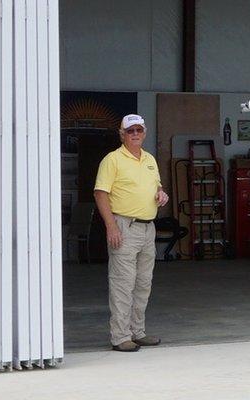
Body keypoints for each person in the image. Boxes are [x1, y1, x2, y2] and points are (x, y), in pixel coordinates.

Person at [93, 114, 169, 352]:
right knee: (123, 283)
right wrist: (111, 225)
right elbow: (100, 193)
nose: (135, 134)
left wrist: (161, 194)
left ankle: (138, 332)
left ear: (144, 132)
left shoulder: (149, 159)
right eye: (130, 131)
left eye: (138, 130)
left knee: (143, 283)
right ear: (122, 134)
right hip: (124, 226)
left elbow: (157, 186)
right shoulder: (112, 160)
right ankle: (120, 336)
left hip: (148, 227)